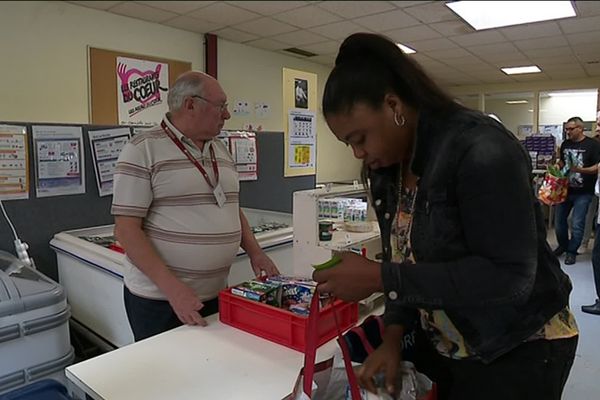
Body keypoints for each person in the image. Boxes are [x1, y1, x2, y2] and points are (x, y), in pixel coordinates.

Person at [313, 33, 578, 400]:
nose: (359, 152)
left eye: (361, 137)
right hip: (447, 346)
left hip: (516, 345)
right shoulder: (388, 167)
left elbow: (508, 277)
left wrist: (379, 276)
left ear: (394, 106)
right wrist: (392, 336)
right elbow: (403, 257)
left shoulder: (481, 148)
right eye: (348, 144)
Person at [112, 71, 279, 341]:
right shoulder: (141, 149)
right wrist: (174, 291)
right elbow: (126, 230)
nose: (226, 115)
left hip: (214, 293)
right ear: (190, 104)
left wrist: (256, 253)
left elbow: (231, 208)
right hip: (161, 300)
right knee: (166, 376)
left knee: (207, 372)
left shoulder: (220, 151)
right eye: (221, 106)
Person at [553, 116, 600, 265]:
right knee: (559, 222)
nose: (568, 132)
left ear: (580, 128)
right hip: (565, 189)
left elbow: (597, 167)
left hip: (584, 191)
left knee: (577, 223)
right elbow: (562, 160)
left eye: (571, 129)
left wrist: (580, 169)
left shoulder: (593, 145)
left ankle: (571, 251)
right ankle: (563, 245)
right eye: (566, 129)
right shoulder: (566, 144)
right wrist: (558, 165)